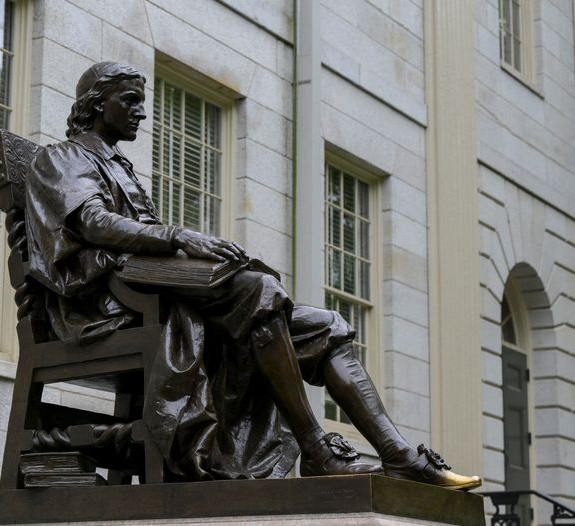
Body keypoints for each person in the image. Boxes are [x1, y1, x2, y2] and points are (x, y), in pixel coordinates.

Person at [24, 61, 481, 490]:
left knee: (325, 326)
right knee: (259, 290)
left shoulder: (116, 164)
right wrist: (180, 237)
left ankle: (398, 454)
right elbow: (93, 224)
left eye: (142, 102)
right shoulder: (62, 157)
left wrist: (185, 249)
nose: (142, 112)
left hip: (153, 292)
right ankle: (316, 449)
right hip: (105, 307)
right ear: (96, 103)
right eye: (130, 100)